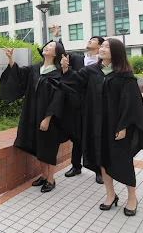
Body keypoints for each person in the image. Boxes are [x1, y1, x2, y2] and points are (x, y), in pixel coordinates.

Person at [60, 38, 143, 216]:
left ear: (116, 52)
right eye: (102, 46)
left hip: (117, 126)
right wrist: (65, 70)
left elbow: (131, 104)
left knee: (123, 161)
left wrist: (124, 126)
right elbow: (75, 82)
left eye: (107, 47)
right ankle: (110, 194)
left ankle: (132, 197)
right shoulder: (92, 71)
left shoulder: (125, 75)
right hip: (97, 125)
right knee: (102, 159)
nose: (102, 49)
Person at [0, 41, 70, 193]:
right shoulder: (35, 69)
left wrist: (48, 118)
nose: (46, 47)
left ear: (56, 53)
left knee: (49, 148)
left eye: (50, 46)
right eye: (46, 45)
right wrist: (11, 59)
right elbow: (19, 75)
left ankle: (51, 179)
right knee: (39, 146)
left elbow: (59, 98)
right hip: (33, 114)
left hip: (50, 118)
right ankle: (44, 175)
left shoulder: (58, 74)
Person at [52, 24, 105, 184]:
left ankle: (99, 170)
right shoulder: (77, 59)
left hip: (96, 104)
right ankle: (76, 166)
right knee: (77, 136)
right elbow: (61, 54)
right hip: (77, 103)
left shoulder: (103, 63)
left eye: (93, 40)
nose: (90, 40)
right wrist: (56, 37)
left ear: (100, 46)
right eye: (89, 39)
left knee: (96, 135)